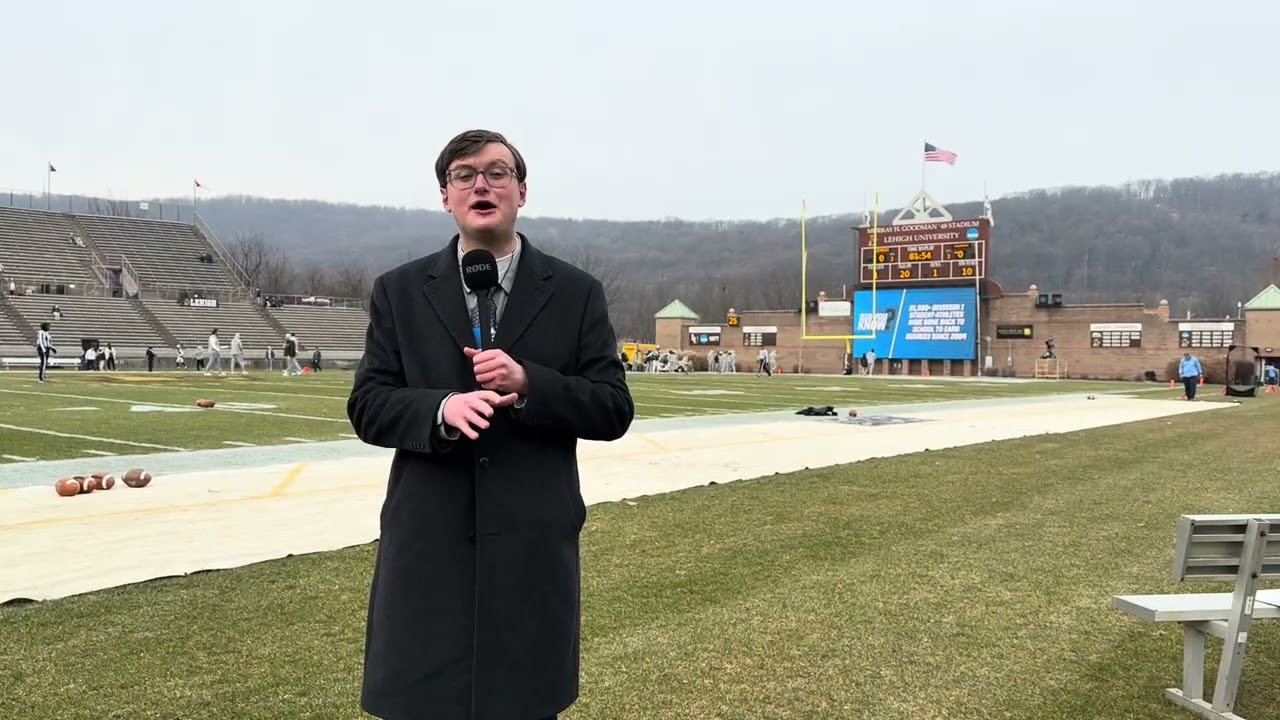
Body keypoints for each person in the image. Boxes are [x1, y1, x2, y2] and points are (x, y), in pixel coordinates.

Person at [347, 129, 634, 720]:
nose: (481, 184)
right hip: (430, 545)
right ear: (445, 196)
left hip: (531, 549)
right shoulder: (399, 292)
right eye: (463, 174)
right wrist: (440, 409)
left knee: (522, 705)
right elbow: (369, 403)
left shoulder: (577, 294)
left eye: (497, 172)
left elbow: (612, 408)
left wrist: (532, 383)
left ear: (521, 192)